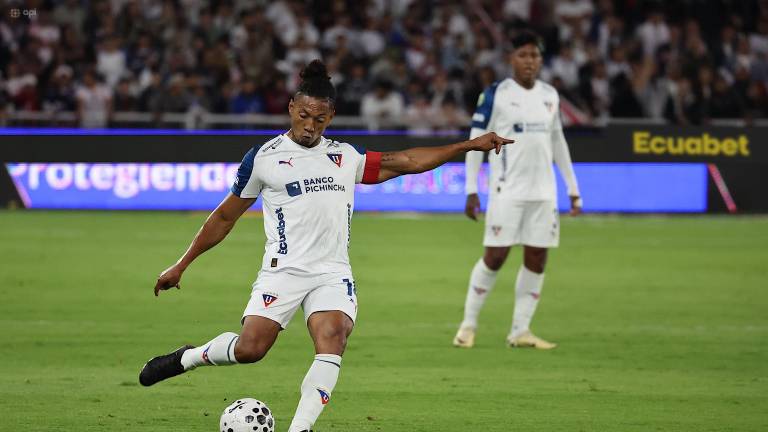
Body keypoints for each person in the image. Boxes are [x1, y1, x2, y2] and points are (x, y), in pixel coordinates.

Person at [139, 60, 513, 432]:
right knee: (250, 350)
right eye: (303, 115)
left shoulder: (344, 157)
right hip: (283, 271)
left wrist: (469, 145)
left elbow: (408, 162)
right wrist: (181, 264)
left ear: (331, 116)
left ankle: (301, 429)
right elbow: (224, 217)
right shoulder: (263, 158)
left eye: (319, 119)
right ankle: (188, 357)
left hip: (332, 272)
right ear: (291, 108)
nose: (309, 125)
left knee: (333, 338)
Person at [453, 31, 582, 350]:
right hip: (506, 190)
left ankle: (520, 331)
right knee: (495, 256)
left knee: (537, 258)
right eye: (523, 55)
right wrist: (471, 189)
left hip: (544, 193)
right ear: (511, 58)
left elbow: (557, 142)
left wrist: (573, 188)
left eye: (535, 56)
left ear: (541, 60)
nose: (529, 61)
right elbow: (475, 142)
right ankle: (468, 326)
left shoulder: (550, 95)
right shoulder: (495, 94)